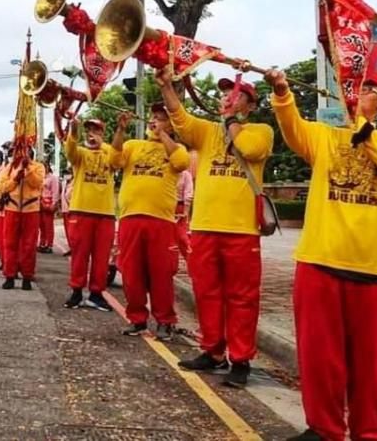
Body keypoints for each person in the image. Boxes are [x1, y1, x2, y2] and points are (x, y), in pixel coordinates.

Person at [268, 68, 377, 440]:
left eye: (371, 89)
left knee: (375, 365)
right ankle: (324, 428)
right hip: (320, 261)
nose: (362, 93)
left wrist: (364, 125)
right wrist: (282, 93)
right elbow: (293, 130)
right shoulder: (324, 137)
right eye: (357, 87)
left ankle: (370, 432)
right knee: (320, 358)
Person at [157, 67, 273, 388]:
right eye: (225, 94)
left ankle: (241, 358)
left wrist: (231, 120)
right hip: (206, 227)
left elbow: (248, 150)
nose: (227, 98)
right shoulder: (208, 130)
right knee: (206, 292)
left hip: (242, 230)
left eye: (237, 96)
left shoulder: (261, 131)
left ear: (250, 105)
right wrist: (167, 86)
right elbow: (180, 118)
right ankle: (212, 350)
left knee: (242, 297)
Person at [111, 106, 190, 341]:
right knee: (131, 273)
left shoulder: (178, 149)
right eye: (153, 117)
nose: (154, 121)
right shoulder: (133, 145)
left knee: (161, 274)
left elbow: (182, 162)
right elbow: (115, 159)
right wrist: (120, 129)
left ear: (171, 125)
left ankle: (165, 321)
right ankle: (137, 319)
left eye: (161, 119)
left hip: (162, 222)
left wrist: (164, 133)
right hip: (130, 218)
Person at [61, 118, 117, 311]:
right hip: (81, 211)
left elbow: (118, 160)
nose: (91, 134)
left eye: (96, 130)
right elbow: (70, 150)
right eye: (88, 131)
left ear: (103, 134)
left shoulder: (109, 152)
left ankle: (96, 293)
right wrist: (73, 131)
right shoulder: (81, 153)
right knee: (80, 255)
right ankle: (76, 291)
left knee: (102, 258)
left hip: (106, 213)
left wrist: (103, 145)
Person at [0, 146, 45, 289]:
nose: (21, 155)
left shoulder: (38, 167)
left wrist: (27, 169)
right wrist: (15, 179)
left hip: (31, 210)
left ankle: (27, 277)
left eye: (24, 152)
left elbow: (38, 183)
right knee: (10, 243)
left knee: (29, 245)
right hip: (12, 209)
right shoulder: (9, 168)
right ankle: (10, 275)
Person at [172, 167, 194, 273]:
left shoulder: (186, 175)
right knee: (167, 238)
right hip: (165, 205)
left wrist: (185, 212)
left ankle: (193, 263)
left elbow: (188, 195)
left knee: (182, 237)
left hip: (180, 207)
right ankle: (171, 265)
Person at [37, 163, 60, 254]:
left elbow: (55, 191)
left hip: (48, 202)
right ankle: (42, 243)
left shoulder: (52, 178)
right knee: (41, 225)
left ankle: (49, 245)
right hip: (40, 202)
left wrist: (54, 204)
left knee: (48, 225)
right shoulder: (39, 177)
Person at [60, 170, 74, 257]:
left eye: (68, 173)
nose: (66, 175)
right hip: (64, 209)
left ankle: (74, 247)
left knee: (72, 230)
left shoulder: (75, 183)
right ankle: (70, 247)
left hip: (71, 210)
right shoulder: (64, 183)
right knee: (67, 230)